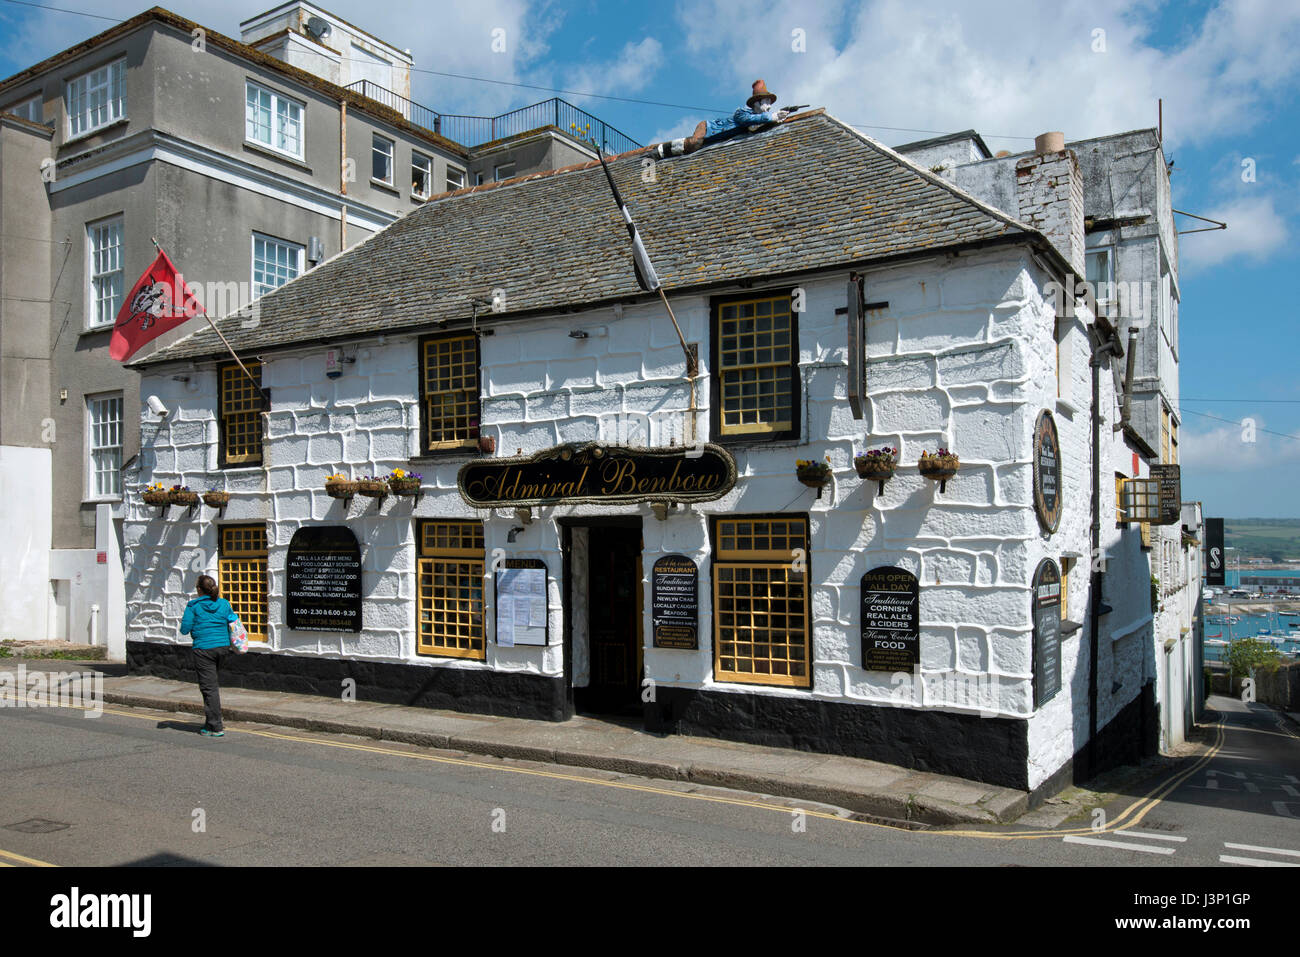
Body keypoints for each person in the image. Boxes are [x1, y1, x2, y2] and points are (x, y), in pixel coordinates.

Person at [653, 79, 791, 158]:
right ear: (757, 102)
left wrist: (777, 118)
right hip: (707, 127)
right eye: (765, 102)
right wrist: (771, 117)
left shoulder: (757, 119)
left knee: (695, 145)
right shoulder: (742, 112)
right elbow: (749, 121)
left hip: (712, 138)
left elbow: (756, 127)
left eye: (769, 102)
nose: (768, 106)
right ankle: (661, 150)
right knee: (694, 143)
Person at [180, 574, 237, 737]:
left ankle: (216, 726)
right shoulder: (224, 604)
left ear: (199, 589)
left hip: (204, 650)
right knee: (211, 685)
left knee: (209, 688)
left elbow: (184, 629)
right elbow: (233, 620)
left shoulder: (193, 606)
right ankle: (208, 724)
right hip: (223, 648)